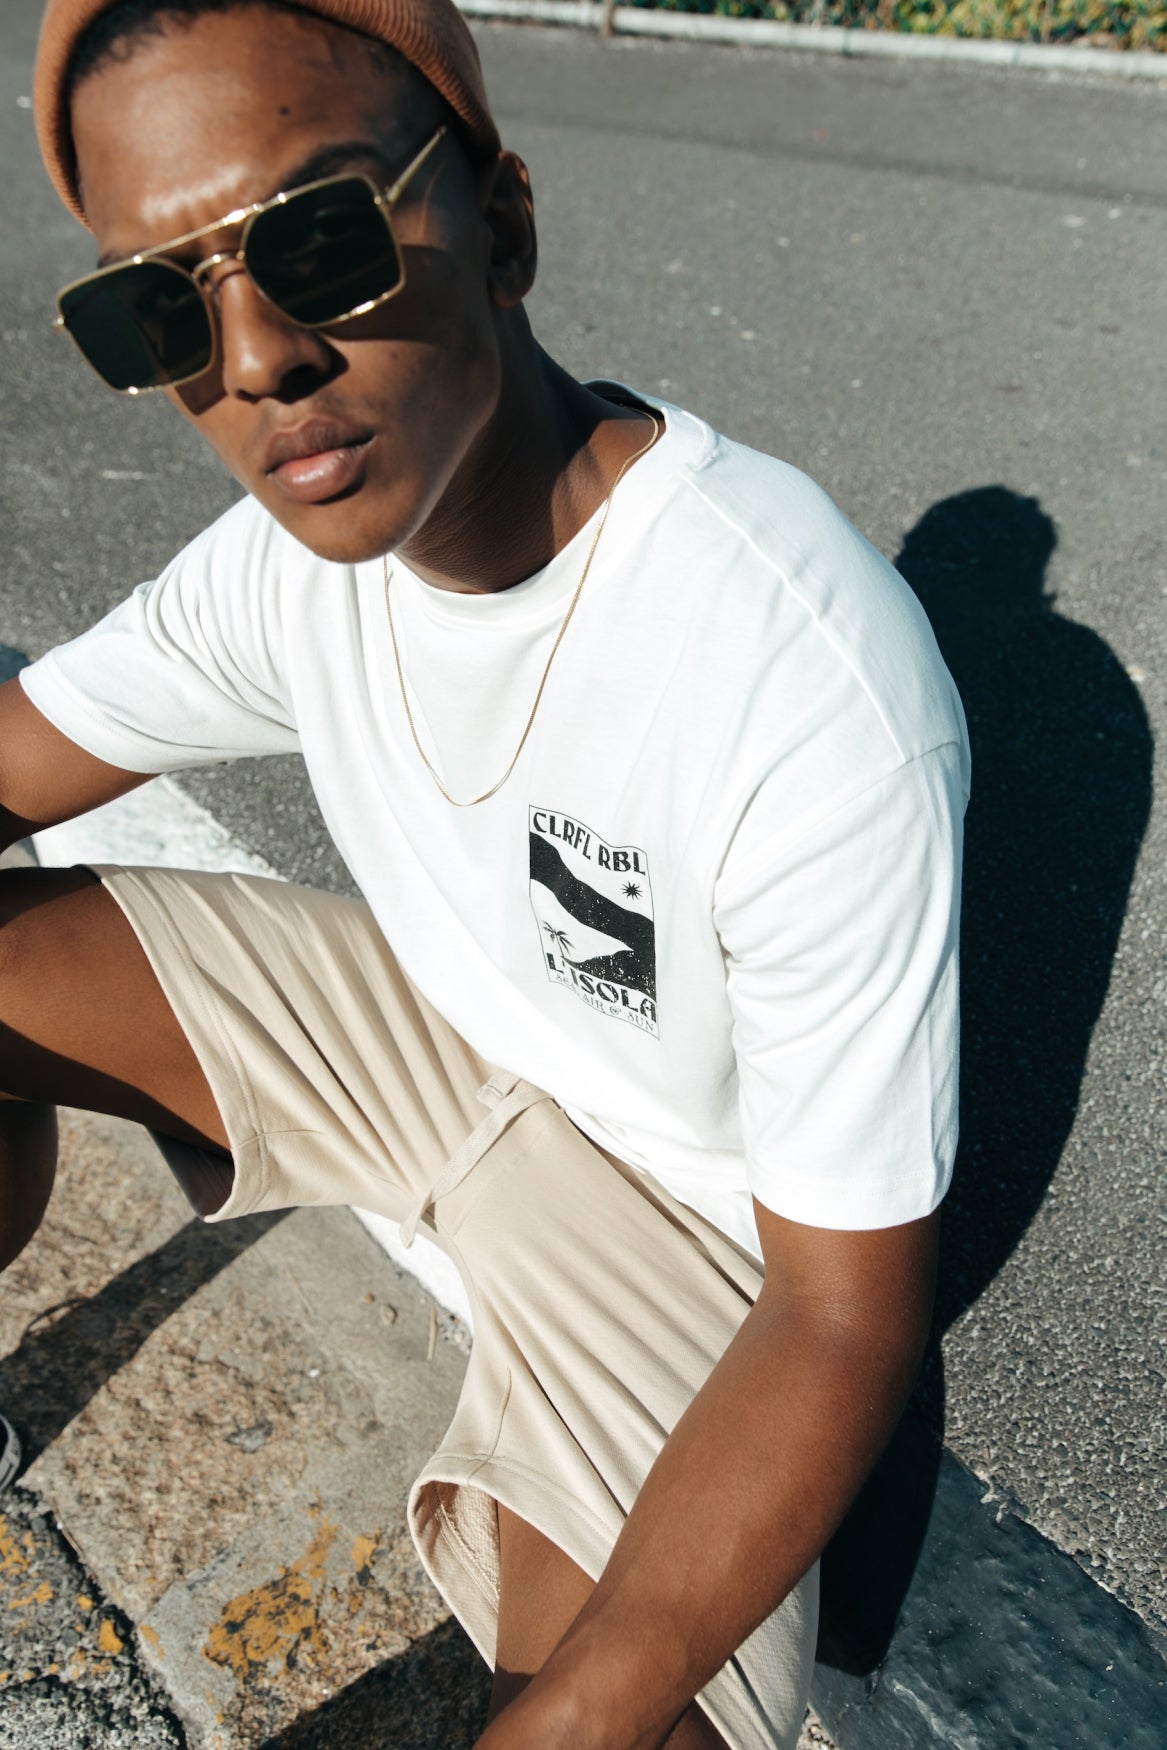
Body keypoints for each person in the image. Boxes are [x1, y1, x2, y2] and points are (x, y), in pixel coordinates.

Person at [0, 0, 969, 1743]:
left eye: (319, 240)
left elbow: (841, 1316)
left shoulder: (796, 670)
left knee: (609, 1712)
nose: (257, 358)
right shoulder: (294, 564)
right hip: (446, 1049)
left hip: (691, 1231)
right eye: (161, 308)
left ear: (503, 223)